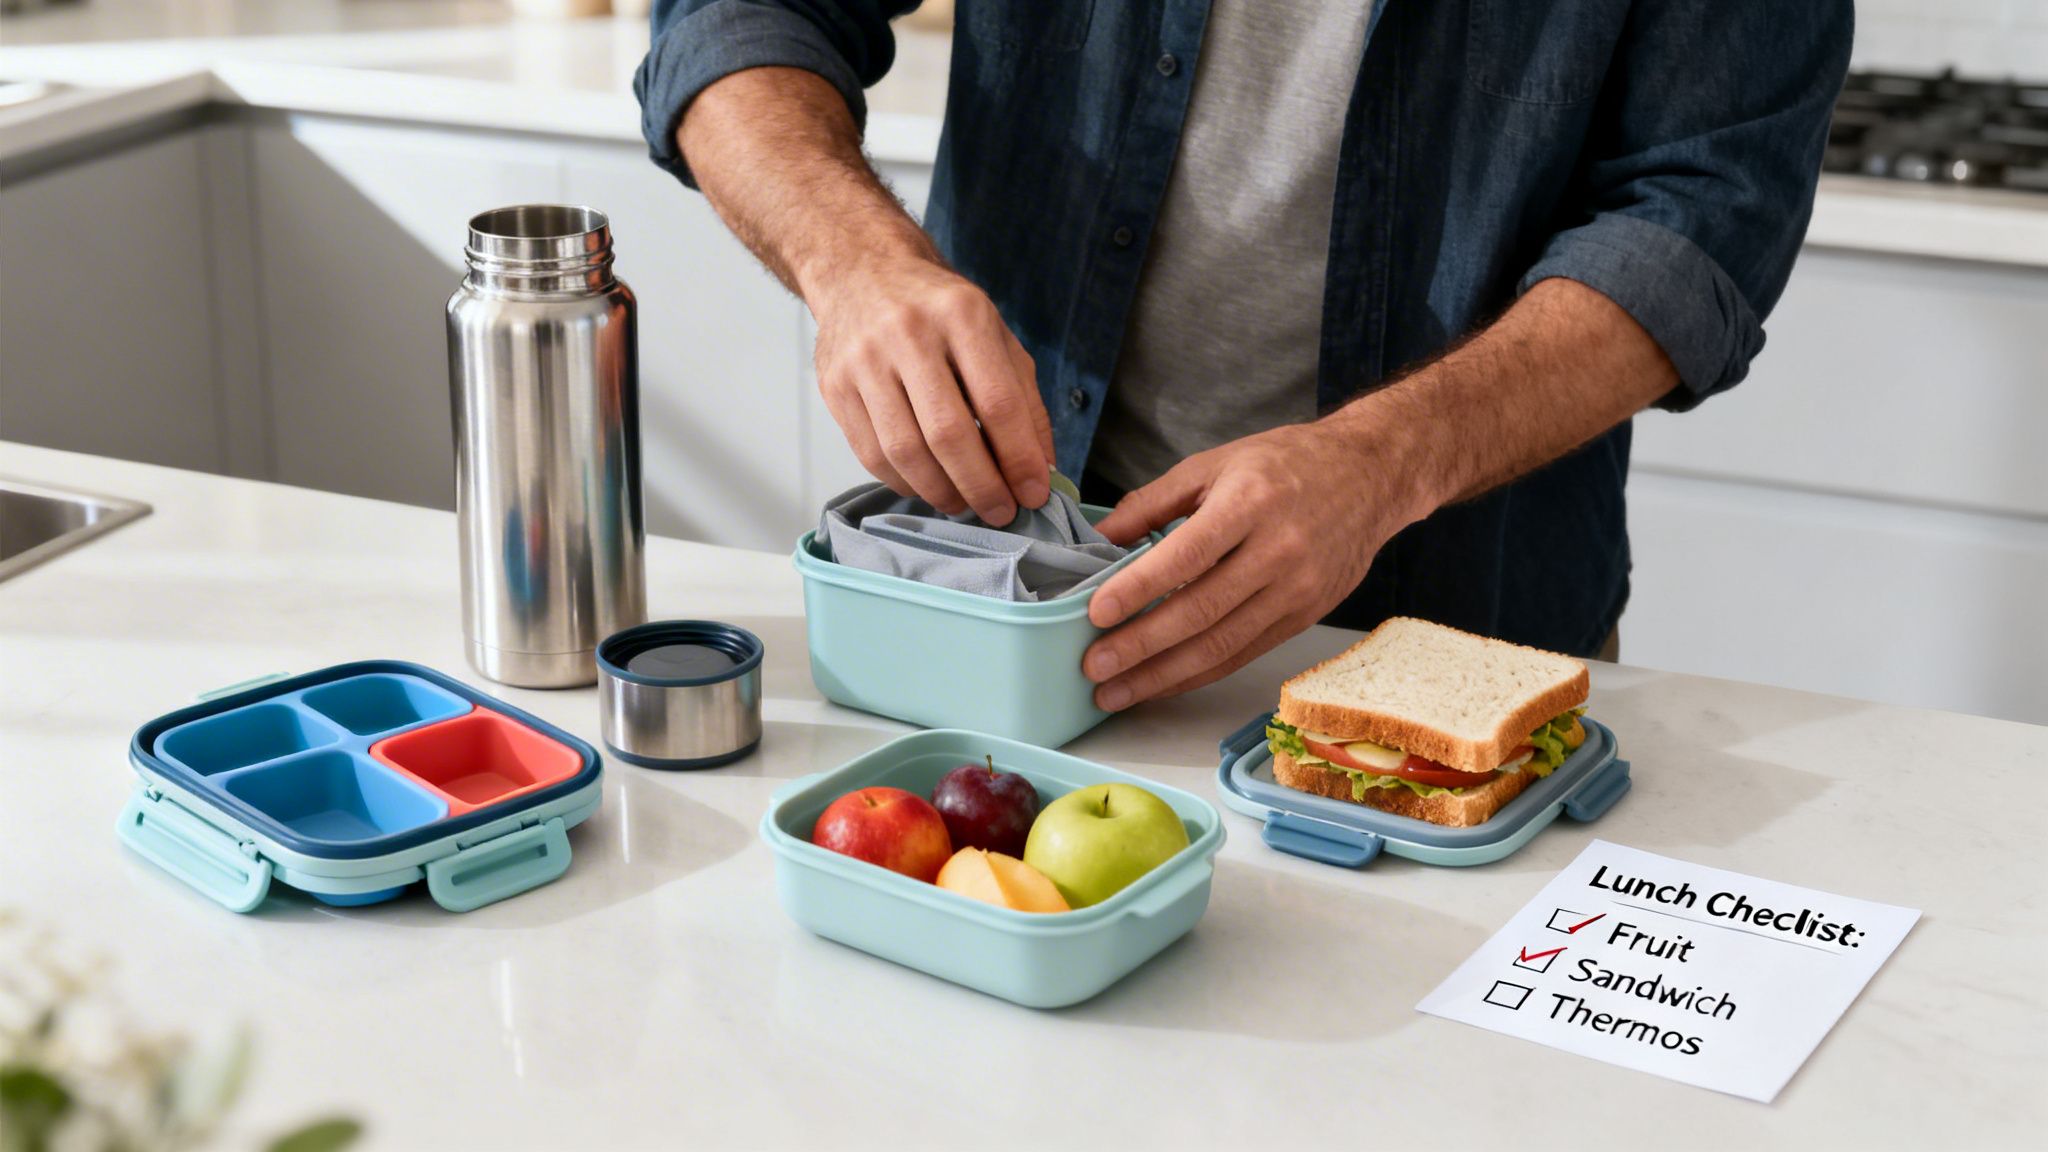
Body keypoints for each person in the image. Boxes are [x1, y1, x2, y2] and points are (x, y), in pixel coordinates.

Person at [634, 0, 1853, 712]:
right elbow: (736, 13)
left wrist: (1383, 462)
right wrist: (852, 262)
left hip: (1447, 631)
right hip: (999, 595)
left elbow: (1700, 217)